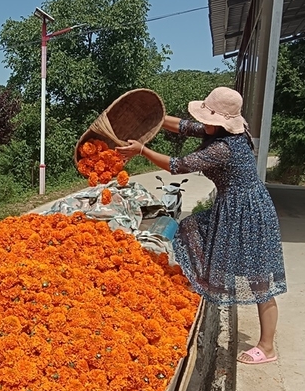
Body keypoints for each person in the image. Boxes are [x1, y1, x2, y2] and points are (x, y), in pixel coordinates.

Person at [116, 86, 286, 365]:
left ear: (220, 121)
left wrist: (142, 149)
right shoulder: (224, 130)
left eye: (208, 118)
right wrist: (151, 118)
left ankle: (267, 347)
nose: (204, 123)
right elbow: (182, 126)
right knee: (190, 228)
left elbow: (178, 165)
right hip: (235, 205)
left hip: (248, 211)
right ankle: (200, 284)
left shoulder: (222, 148)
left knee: (259, 280)